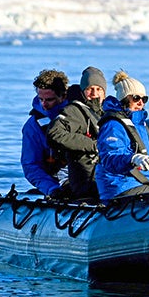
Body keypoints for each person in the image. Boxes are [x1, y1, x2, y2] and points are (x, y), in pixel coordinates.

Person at [95, 70, 149, 200]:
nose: (141, 102)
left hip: (143, 185)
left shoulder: (141, 126)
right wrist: (133, 158)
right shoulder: (113, 125)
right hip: (120, 187)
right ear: (124, 99)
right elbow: (109, 158)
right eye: (136, 98)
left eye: (144, 99)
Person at [47, 66, 107, 201]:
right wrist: (93, 145)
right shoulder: (74, 111)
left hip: (108, 176)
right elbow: (54, 133)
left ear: (104, 92)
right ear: (83, 91)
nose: (94, 93)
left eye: (99, 89)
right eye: (90, 89)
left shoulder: (107, 113)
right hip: (86, 180)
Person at [21, 68, 71, 197]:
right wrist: (52, 189)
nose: (44, 104)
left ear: (63, 96)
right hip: (56, 184)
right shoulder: (33, 126)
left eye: (49, 100)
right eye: (40, 99)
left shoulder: (80, 115)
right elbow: (30, 164)